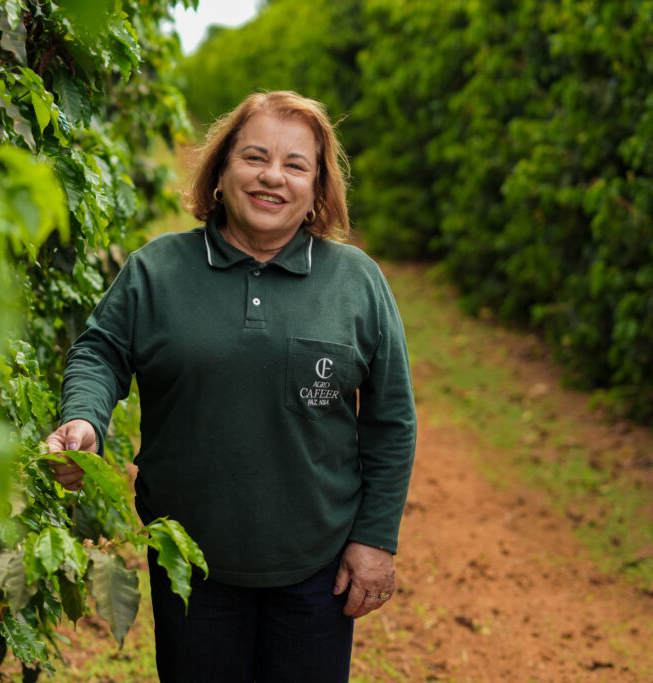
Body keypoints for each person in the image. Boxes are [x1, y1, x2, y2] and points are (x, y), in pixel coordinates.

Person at [46, 91, 417, 682]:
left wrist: (375, 539)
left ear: (319, 188)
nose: (273, 177)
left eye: (296, 165)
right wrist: (85, 417)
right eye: (254, 157)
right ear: (221, 170)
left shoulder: (357, 282)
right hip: (189, 565)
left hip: (317, 571)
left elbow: (391, 419)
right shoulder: (156, 271)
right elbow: (102, 351)